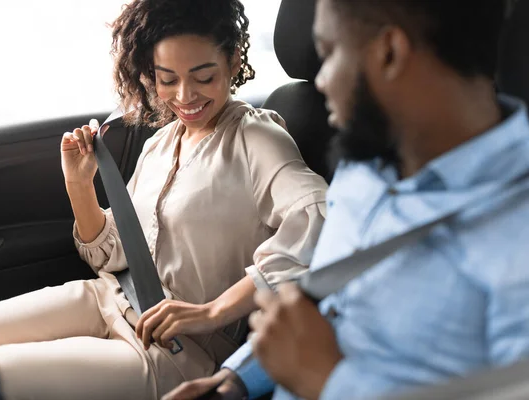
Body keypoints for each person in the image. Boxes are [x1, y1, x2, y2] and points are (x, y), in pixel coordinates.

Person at [163, 0, 529, 399]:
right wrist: (234, 382)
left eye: (328, 54)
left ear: (389, 52)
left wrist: (331, 382)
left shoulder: (516, 239)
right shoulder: (360, 173)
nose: (320, 81)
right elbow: (324, 306)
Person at [0, 1, 328, 399]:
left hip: (174, 350)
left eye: (203, 76)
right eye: (167, 79)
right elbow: (116, 256)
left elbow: (319, 221)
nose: (185, 95)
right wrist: (79, 184)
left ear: (232, 60)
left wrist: (213, 312)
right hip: (110, 298)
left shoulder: (257, 138)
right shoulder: (160, 143)